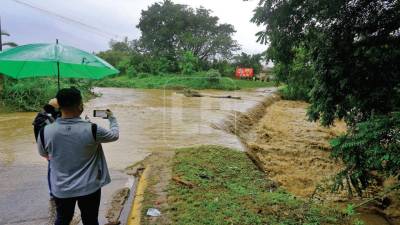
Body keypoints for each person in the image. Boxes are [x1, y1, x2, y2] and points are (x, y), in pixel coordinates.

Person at [37, 87, 119, 225]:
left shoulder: (45, 131)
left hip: (61, 188)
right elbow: (114, 135)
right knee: (90, 220)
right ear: (80, 105)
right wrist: (112, 118)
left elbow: (44, 154)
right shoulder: (92, 129)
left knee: (63, 219)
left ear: (59, 106)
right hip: (89, 187)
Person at [33, 98, 61, 198]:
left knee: (53, 169)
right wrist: (46, 153)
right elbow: (40, 136)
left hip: (52, 148)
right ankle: (53, 192)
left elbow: (38, 138)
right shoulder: (43, 118)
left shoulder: (43, 116)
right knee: (52, 169)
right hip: (51, 149)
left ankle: (54, 192)